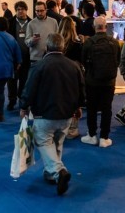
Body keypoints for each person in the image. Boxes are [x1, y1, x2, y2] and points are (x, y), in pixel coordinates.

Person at [19, 33, 85, 196]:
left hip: (44, 113)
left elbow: (29, 89)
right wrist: (78, 107)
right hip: (66, 114)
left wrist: (24, 106)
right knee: (58, 142)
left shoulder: (39, 66)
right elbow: (81, 89)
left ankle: (58, 171)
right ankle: (52, 175)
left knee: (43, 141)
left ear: (47, 47)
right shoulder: (74, 66)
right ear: (63, 47)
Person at [80, 17, 120, 148]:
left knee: (91, 108)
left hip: (92, 81)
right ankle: (104, 137)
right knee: (106, 109)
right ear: (106, 27)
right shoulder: (114, 42)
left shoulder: (88, 43)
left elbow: (83, 61)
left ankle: (92, 135)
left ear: (94, 27)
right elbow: (118, 60)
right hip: (109, 82)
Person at [6, 1, 32, 110]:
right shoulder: (9, 22)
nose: (20, 11)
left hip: (27, 57)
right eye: (18, 9)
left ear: (26, 10)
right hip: (13, 58)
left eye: (22, 9)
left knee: (24, 80)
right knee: (12, 80)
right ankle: (12, 100)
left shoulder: (31, 22)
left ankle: (22, 99)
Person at [26, 1, 60, 74]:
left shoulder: (53, 22)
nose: (39, 13)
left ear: (46, 10)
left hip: (50, 58)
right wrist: (32, 40)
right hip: (36, 58)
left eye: (41, 11)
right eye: (37, 11)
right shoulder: (31, 24)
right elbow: (27, 42)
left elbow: (58, 39)